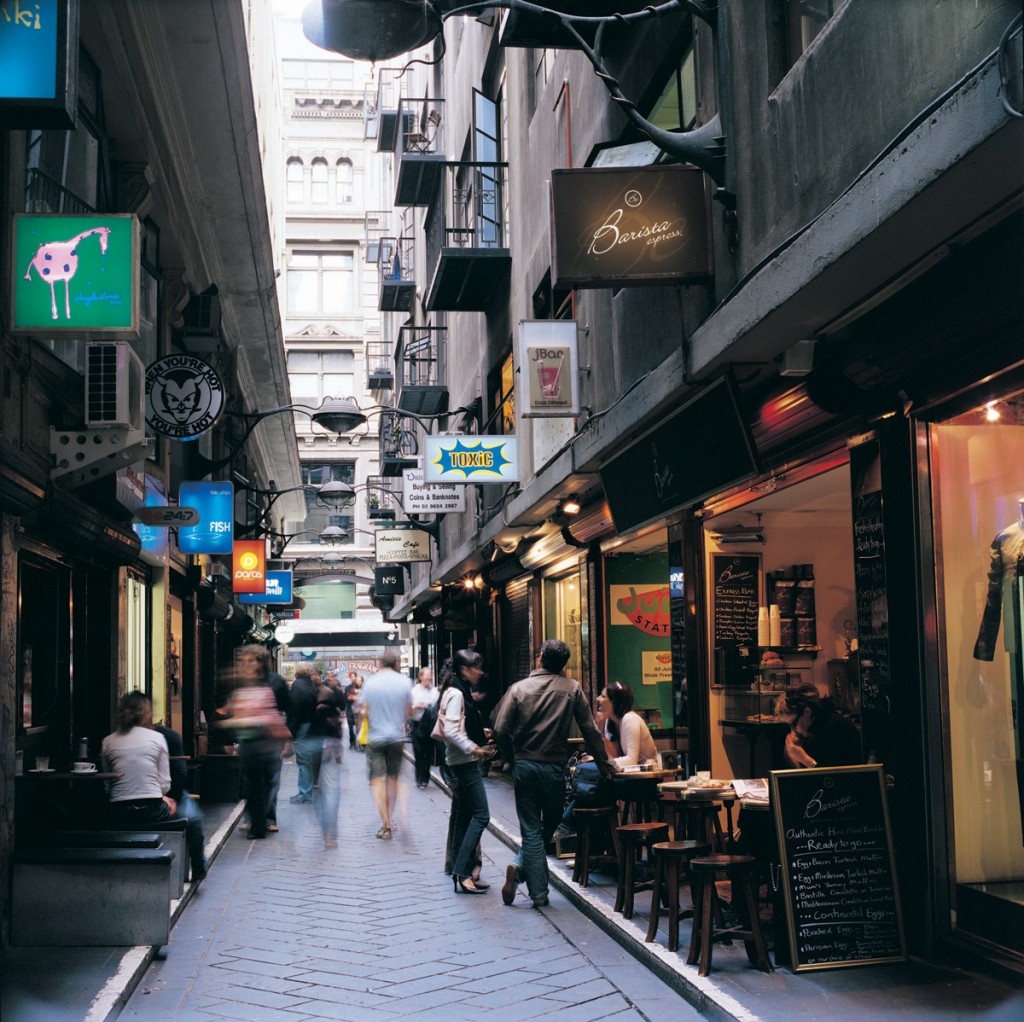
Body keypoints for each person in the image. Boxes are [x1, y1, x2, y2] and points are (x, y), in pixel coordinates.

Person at [492, 638, 613, 908]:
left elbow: (500, 729)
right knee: (550, 823)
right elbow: (590, 729)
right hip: (554, 768)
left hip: (525, 765)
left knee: (531, 829)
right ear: (563, 664)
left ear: (541, 657)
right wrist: (604, 763)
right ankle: (534, 884)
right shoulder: (572, 688)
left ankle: (530, 880)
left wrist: (510, 759)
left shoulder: (519, 689)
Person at [438, 649, 495, 894]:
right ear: (464, 670)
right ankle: (463, 872)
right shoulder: (456, 694)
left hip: (459, 761)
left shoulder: (457, 691)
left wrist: (480, 735)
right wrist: (475, 749)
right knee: (481, 815)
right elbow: (451, 731)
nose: (480, 672)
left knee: (463, 818)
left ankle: (461, 871)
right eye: (477, 667)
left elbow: (458, 726)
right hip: (463, 762)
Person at [220, 650, 290, 839]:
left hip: (268, 741)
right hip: (249, 742)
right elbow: (230, 709)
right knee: (253, 785)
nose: (246, 664)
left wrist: (285, 737)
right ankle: (257, 821)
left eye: (251, 661)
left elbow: (284, 709)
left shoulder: (274, 683)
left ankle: (267, 819)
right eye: (244, 661)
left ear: (261, 663)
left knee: (269, 783)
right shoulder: (239, 684)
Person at [359, 649, 412, 839]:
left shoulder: (371, 683)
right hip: (396, 737)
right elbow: (409, 711)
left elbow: (364, 710)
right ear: (396, 664)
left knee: (377, 781)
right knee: (392, 779)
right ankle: (391, 816)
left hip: (376, 738)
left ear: (380, 664)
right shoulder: (405, 682)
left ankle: (386, 823)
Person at [102, 691, 174, 827]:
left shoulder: (108, 741)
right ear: (147, 713)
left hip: (119, 809)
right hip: (152, 810)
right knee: (176, 810)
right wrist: (163, 797)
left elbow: (107, 784)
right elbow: (165, 783)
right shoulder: (157, 738)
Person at [152, 719, 207, 883]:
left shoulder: (168, 736)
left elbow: (179, 773)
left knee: (193, 819)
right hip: (149, 795)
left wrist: (173, 798)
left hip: (171, 791)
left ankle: (198, 865)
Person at [774, 683, 862, 768]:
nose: (793, 729)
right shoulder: (813, 727)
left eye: (793, 723)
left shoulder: (835, 728)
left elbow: (828, 777)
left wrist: (803, 758)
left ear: (807, 712)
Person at [316, 669, 347, 849]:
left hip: (313, 744)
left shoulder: (310, 696)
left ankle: (327, 831)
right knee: (329, 791)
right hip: (327, 743)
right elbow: (340, 710)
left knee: (322, 791)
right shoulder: (332, 695)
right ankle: (329, 834)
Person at [597, 681, 658, 768]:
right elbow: (614, 756)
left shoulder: (629, 719)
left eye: (603, 696)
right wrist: (600, 729)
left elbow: (631, 760)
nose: (598, 699)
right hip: (629, 774)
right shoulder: (610, 722)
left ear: (614, 702)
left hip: (645, 777)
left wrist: (602, 762)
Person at [288, 665, 325, 804]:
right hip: (311, 725)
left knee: (303, 762)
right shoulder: (311, 685)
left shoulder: (298, 685)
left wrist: (290, 729)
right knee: (307, 761)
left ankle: (304, 794)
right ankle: (305, 792)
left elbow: (294, 708)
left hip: (301, 726)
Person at [410, 666, 439, 789]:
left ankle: (425, 778)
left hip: (431, 726)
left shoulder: (435, 692)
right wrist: (419, 706)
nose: (429, 677)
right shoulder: (414, 692)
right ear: (420, 677)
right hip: (418, 725)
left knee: (428, 753)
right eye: (426, 675)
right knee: (419, 753)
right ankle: (420, 778)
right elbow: (407, 710)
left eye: (430, 675)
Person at [344, 673, 363, 750]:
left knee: (359, 727)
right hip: (349, 708)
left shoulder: (360, 686)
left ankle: (358, 743)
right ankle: (352, 742)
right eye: (351, 677)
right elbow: (345, 698)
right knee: (350, 727)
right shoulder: (348, 687)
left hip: (358, 709)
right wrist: (350, 698)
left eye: (354, 677)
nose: (352, 678)